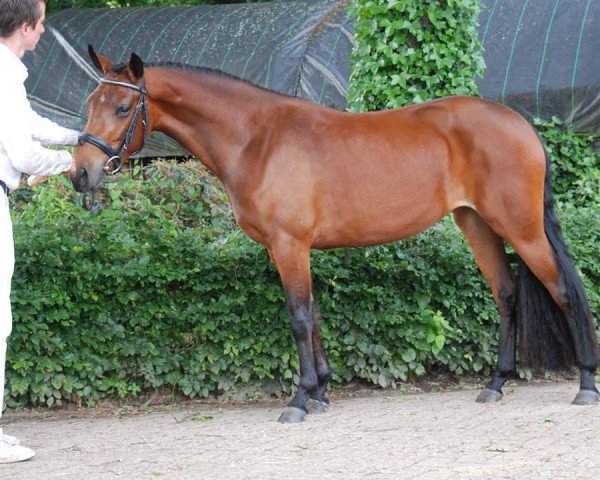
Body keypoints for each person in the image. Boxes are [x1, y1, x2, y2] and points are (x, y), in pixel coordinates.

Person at [0, 0, 80, 463]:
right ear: (26, 27)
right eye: (42, 23)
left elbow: (28, 125)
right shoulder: (6, 74)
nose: (45, 32)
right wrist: (68, 163)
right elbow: (25, 154)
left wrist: (78, 136)